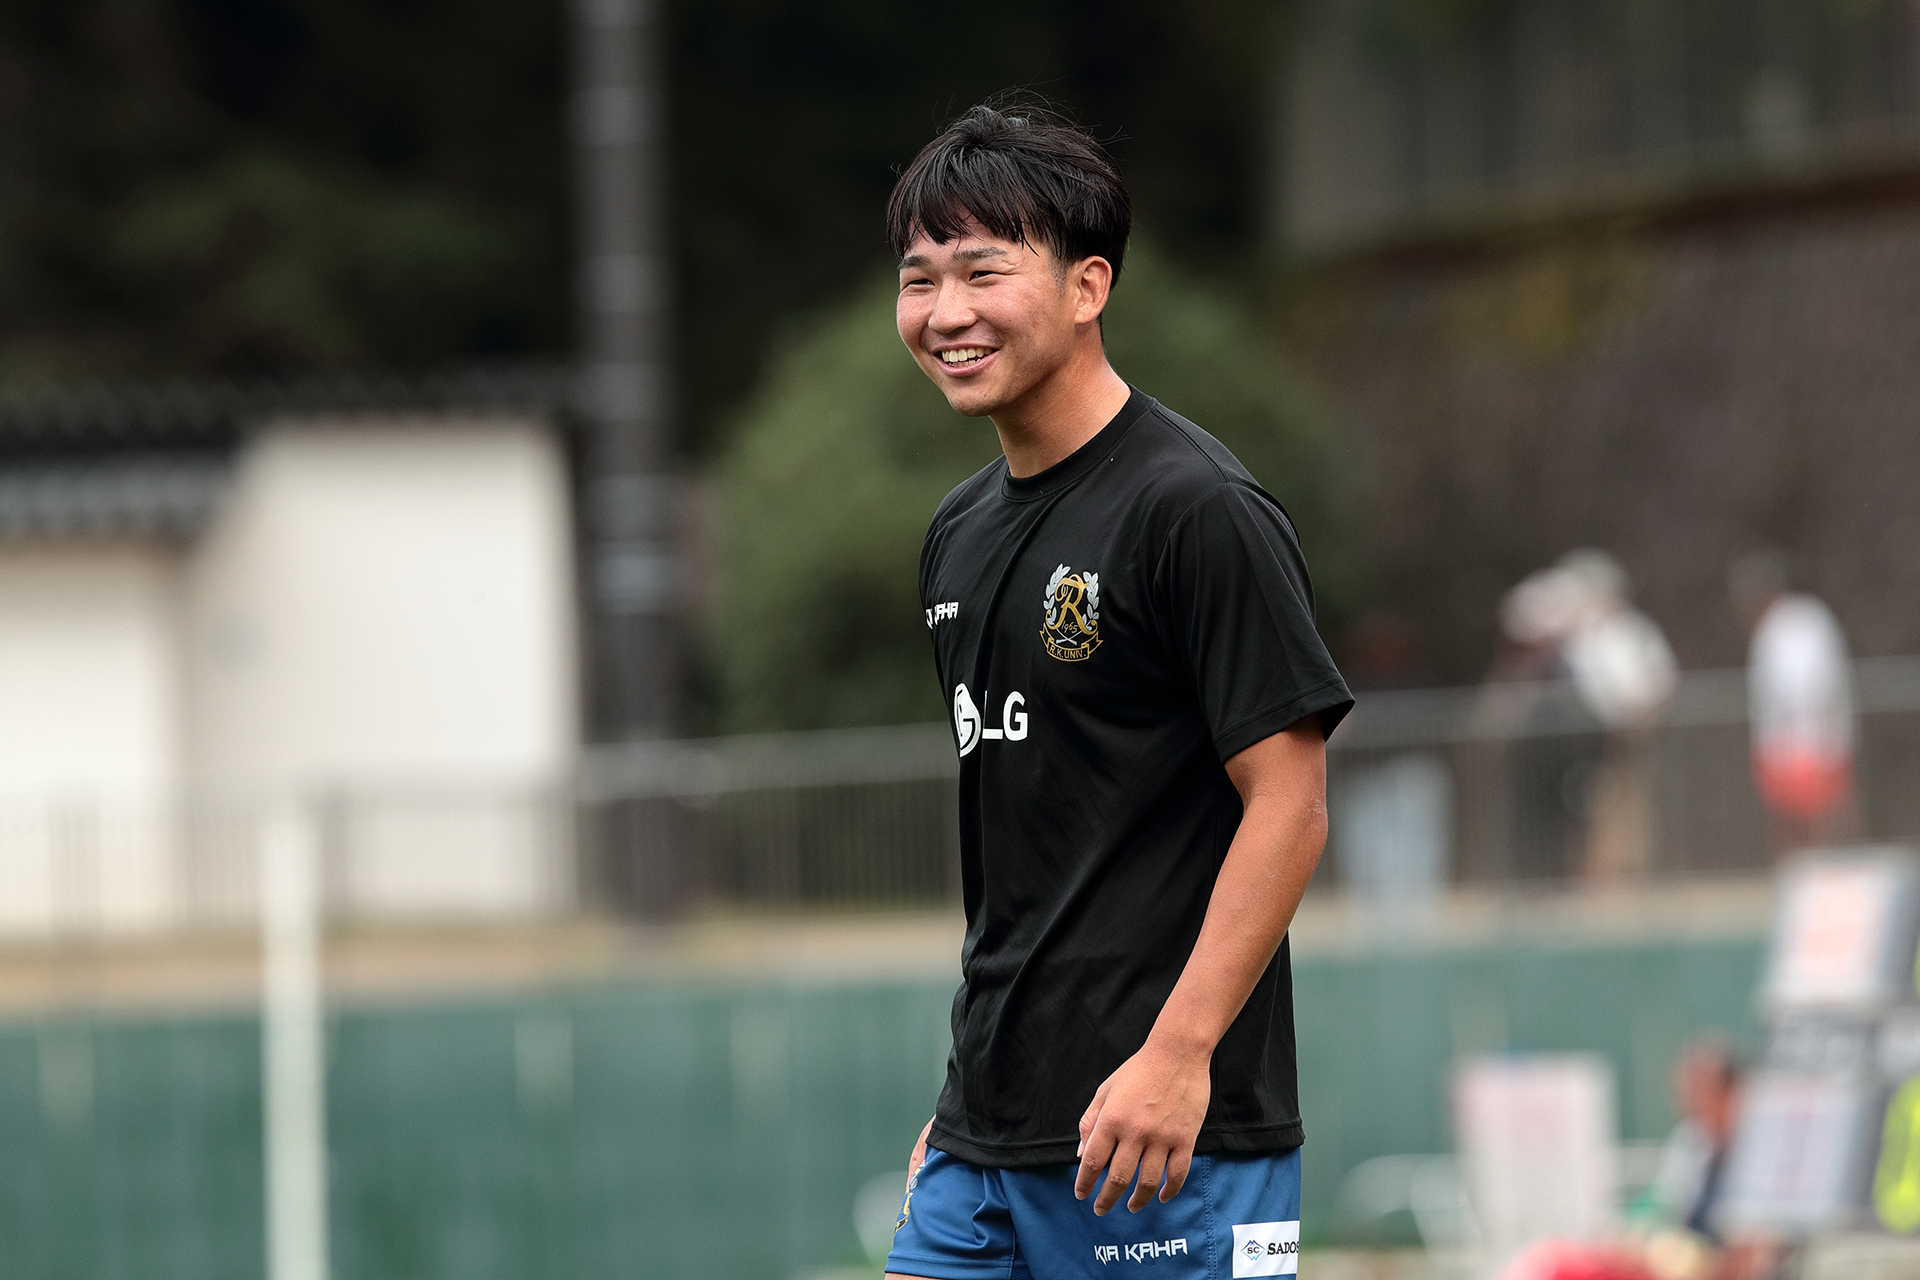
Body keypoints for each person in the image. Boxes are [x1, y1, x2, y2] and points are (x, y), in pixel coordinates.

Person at [881, 101, 1351, 1280]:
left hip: (1168, 1140)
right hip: (987, 1142)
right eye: (920, 279)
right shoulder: (956, 535)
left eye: (982, 271)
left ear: (1088, 284)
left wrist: (1178, 1055)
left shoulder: (1198, 509)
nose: (945, 312)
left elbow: (1290, 804)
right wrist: (973, 1099)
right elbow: (1036, 857)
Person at [1729, 552, 1855, 855]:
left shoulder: (1791, 625)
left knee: (1812, 820)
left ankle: (1818, 870)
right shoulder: (1795, 620)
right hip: (1798, 740)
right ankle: (1803, 869)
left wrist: (1808, 739)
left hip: (1800, 742)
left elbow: (1802, 686)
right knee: (1795, 818)